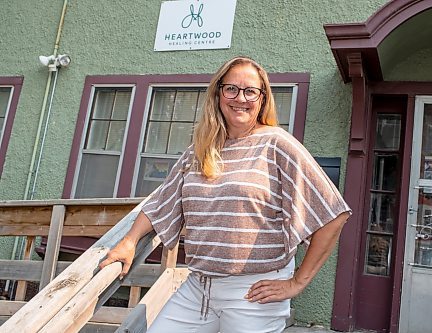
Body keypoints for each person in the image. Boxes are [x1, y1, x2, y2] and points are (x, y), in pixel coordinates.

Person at [99, 56, 351, 333]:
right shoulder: (201, 149)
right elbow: (162, 203)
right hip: (197, 287)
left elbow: (332, 214)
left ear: (262, 99)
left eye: (250, 91)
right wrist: (129, 241)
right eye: (231, 88)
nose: (240, 98)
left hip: (253, 292)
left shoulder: (277, 143)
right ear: (218, 93)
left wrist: (298, 282)